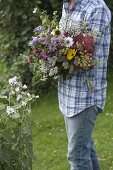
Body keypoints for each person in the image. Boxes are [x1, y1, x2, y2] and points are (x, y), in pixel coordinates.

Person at [58, 0, 111, 169]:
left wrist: (54, 52)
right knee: (84, 148)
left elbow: (86, 53)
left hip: (86, 94)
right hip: (68, 91)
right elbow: (61, 38)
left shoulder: (96, 7)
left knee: (77, 156)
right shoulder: (67, 4)